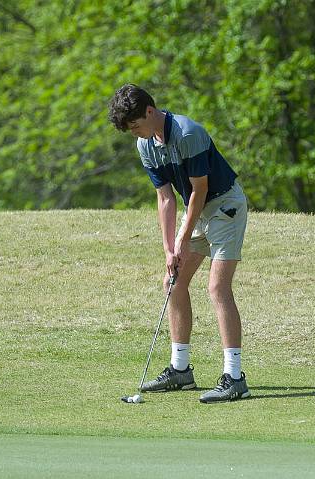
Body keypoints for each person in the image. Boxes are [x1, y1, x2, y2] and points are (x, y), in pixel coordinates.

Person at [107, 84, 250, 403]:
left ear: (149, 111)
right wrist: (169, 249)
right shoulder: (146, 145)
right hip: (195, 212)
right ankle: (181, 369)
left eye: (136, 126)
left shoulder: (188, 134)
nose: (135, 134)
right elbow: (165, 198)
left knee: (217, 287)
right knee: (173, 282)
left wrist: (183, 237)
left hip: (224, 206)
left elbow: (200, 191)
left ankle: (235, 377)